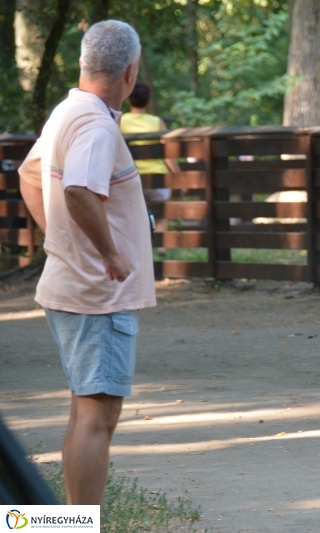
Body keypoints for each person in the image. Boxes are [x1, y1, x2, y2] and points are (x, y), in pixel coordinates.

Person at [18, 20, 156, 503]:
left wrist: (60, 241)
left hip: (75, 284)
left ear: (84, 63)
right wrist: (109, 253)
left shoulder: (67, 111)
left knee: (85, 411)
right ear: (129, 72)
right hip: (97, 294)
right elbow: (77, 188)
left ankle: (67, 521)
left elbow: (30, 175)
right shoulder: (97, 125)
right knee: (98, 418)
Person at [120, 82, 178, 204]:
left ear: (129, 100)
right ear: (148, 102)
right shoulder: (157, 122)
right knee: (161, 217)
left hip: (131, 177)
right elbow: (168, 153)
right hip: (158, 178)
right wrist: (178, 176)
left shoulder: (121, 121)